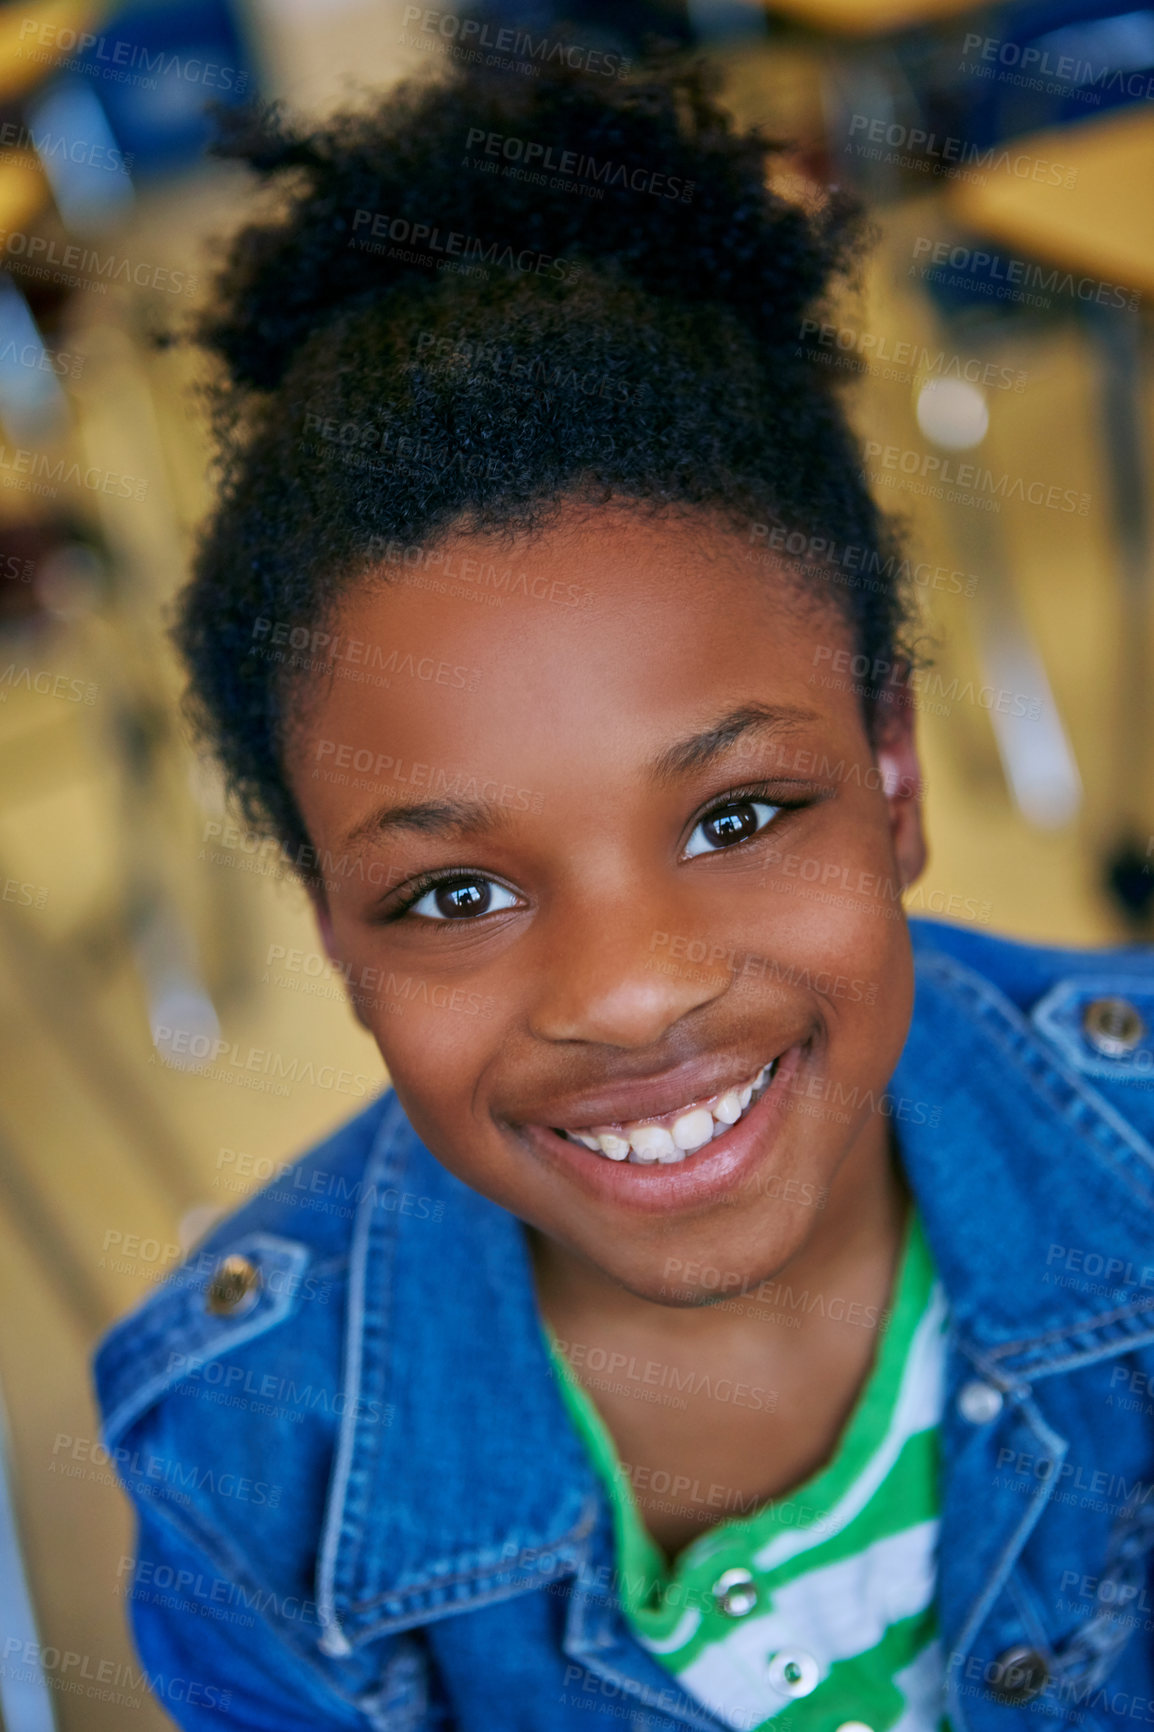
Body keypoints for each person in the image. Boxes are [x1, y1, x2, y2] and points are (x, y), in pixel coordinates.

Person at [94, 53, 1154, 1732]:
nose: (629, 990)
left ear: (892, 779)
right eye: (452, 896)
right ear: (328, 932)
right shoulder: (253, 1471)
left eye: (737, 813)